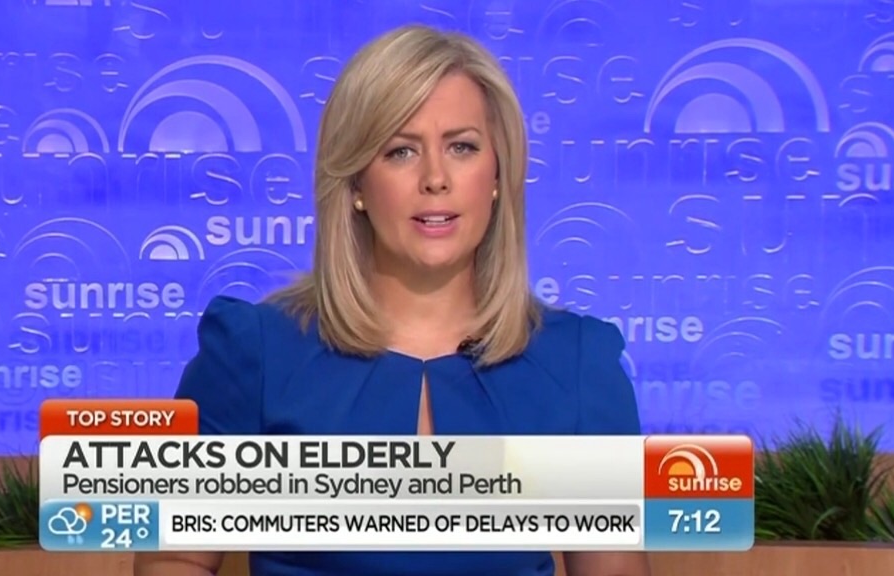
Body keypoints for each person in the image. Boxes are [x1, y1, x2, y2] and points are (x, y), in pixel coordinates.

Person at [135, 24, 650, 576]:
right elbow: (175, 561)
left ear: (498, 174)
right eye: (401, 151)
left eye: (462, 147)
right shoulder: (254, 356)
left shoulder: (575, 367)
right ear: (356, 183)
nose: (435, 178)